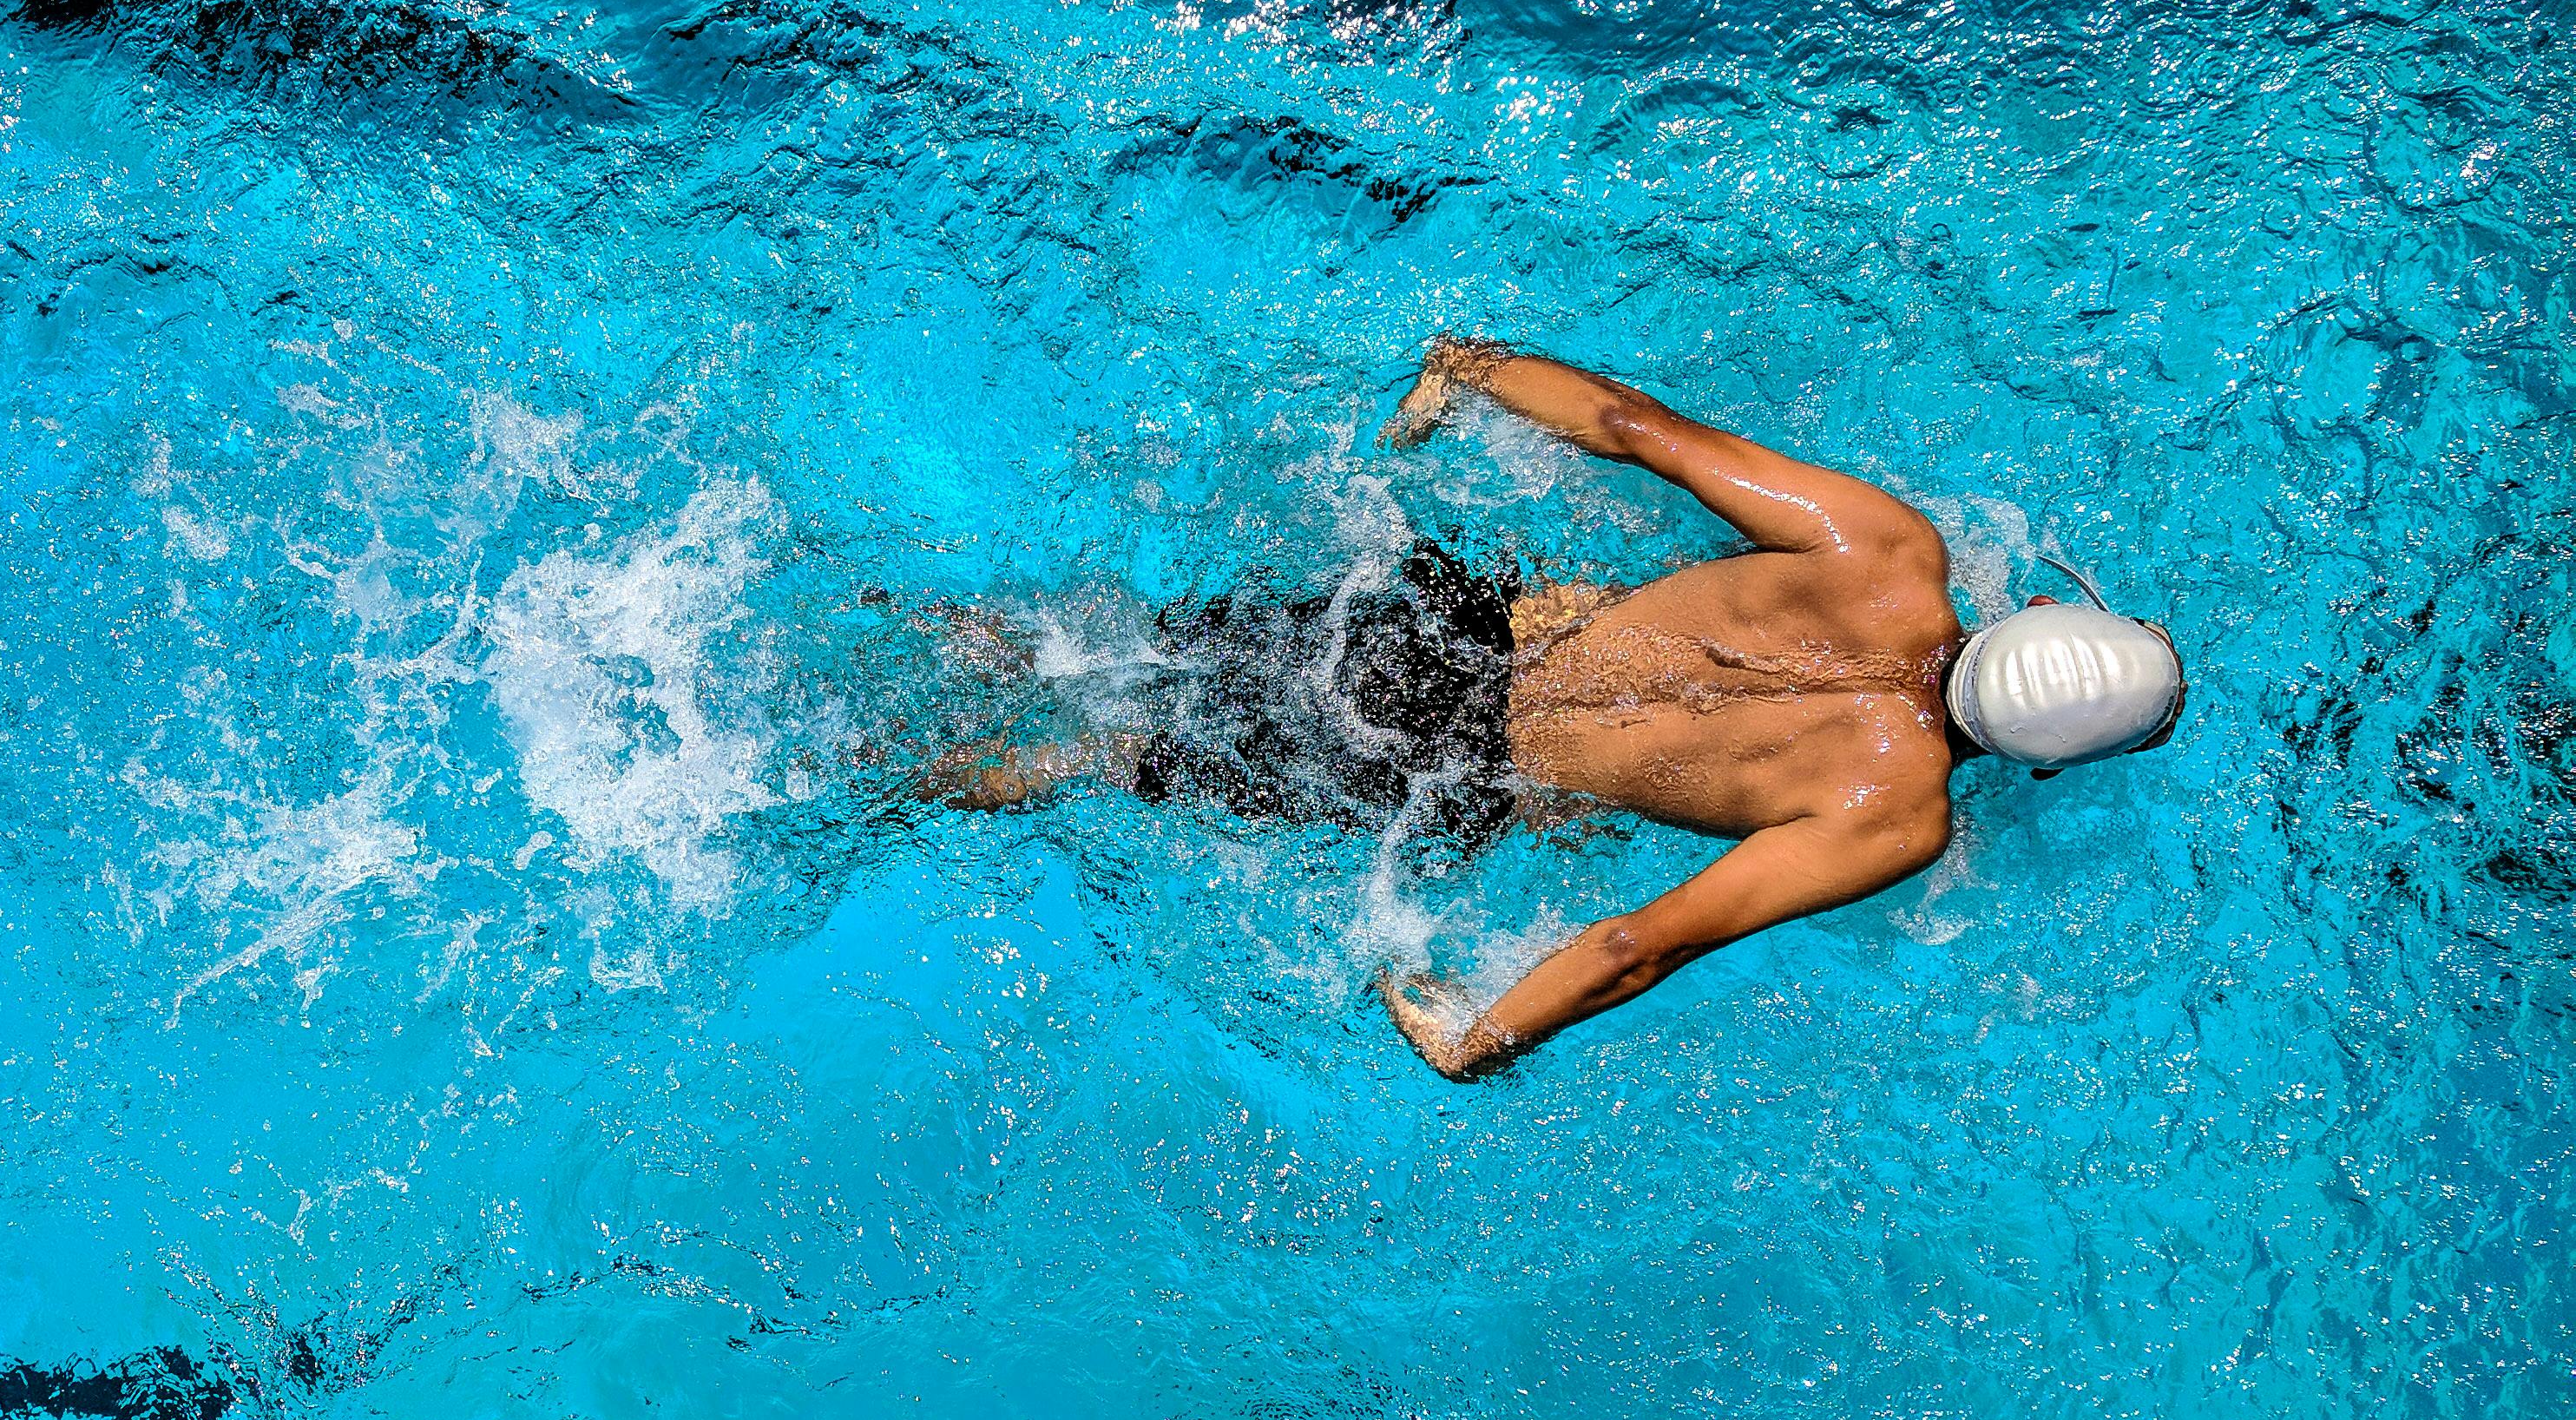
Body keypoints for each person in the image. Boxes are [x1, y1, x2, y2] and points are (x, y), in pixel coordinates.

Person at [920, 338, 2185, 1078]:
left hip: (1439, 622)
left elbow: (1637, 428)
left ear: (2033, 613)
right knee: (1108, 756)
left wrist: (1473, 370)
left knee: (1102, 650)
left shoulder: (1888, 550)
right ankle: (881, 781)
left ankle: (913, 620)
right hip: (1448, 764)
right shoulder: (1896, 815)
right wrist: (1483, 1037)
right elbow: (1645, 942)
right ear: (2046, 763)